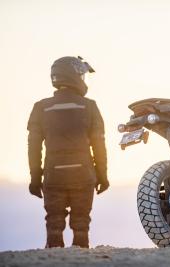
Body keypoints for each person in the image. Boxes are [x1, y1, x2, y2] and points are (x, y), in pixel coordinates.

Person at [27, 56, 109, 248]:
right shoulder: (89, 106)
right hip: (83, 175)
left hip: (53, 175)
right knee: (81, 224)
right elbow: (99, 145)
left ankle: (54, 256)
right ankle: (80, 255)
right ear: (75, 77)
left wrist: (35, 178)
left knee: (54, 223)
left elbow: (33, 146)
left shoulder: (41, 107)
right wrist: (102, 176)